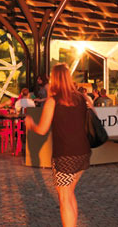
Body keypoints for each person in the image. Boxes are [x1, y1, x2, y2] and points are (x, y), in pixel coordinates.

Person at [24, 64, 94, 227]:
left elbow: (42, 130)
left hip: (65, 156)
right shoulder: (81, 98)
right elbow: (93, 115)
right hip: (83, 153)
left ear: (54, 79)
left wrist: (31, 124)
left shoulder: (52, 101)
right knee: (69, 194)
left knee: (64, 198)